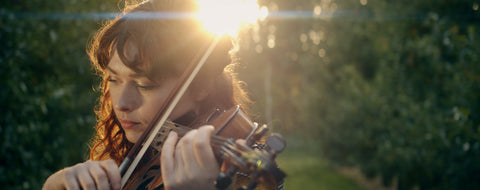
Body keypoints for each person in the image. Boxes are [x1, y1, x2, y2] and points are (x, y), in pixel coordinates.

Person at [43, 0, 281, 189]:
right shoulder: (136, 157)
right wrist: (53, 186)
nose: (121, 103)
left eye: (145, 84)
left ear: (201, 86)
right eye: (113, 80)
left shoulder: (226, 171)